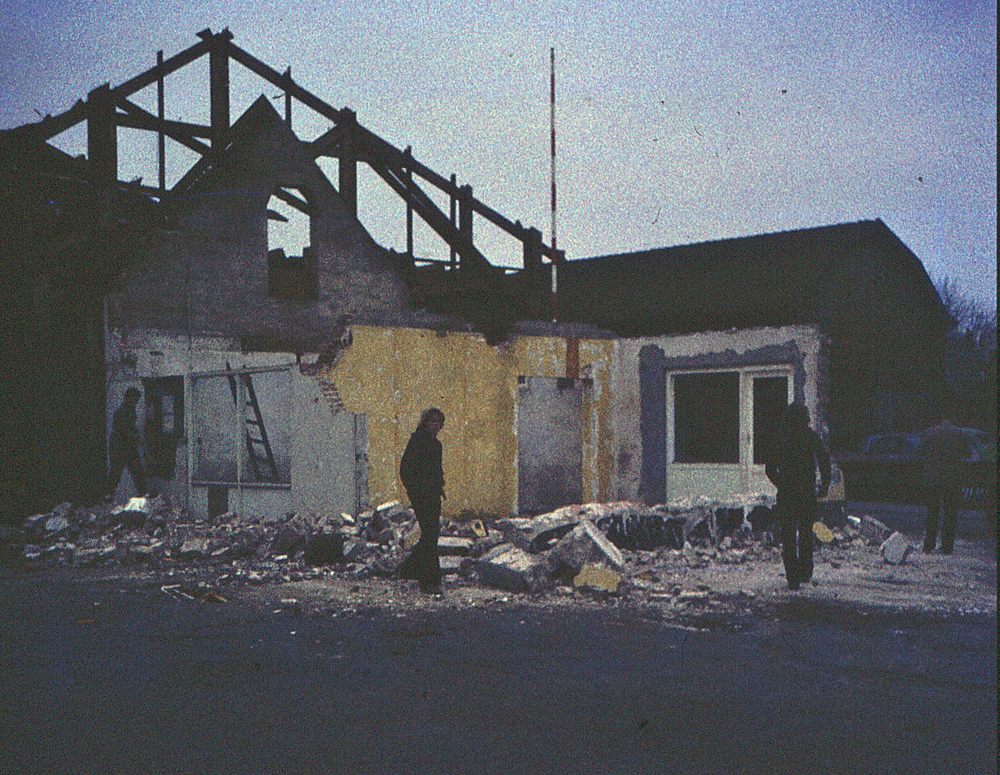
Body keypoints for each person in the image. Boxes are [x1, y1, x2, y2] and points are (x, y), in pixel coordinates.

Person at [764, 402, 831, 590]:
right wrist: (824, 485)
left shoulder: (780, 438)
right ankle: (805, 571)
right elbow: (824, 459)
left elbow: (770, 469)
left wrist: (781, 483)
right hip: (806, 492)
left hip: (787, 493)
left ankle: (792, 578)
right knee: (806, 533)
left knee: (788, 536)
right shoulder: (810, 436)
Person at [398, 408, 446, 594]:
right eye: (432, 421)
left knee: (430, 535)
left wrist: (439, 487)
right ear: (426, 423)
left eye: (438, 422)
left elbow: (436, 470)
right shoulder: (418, 441)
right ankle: (429, 581)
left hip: (433, 496)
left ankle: (409, 569)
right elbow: (405, 469)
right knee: (429, 536)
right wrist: (415, 491)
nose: (436, 425)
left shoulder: (436, 445)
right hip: (421, 496)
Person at [919, 413, 969, 554]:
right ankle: (947, 546)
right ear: (952, 419)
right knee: (950, 514)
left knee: (932, 512)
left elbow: (921, 451)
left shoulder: (929, 432)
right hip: (952, 478)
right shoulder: (960, 433)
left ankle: (929, 544)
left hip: (933, 478)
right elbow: (967, 453)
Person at [107, 387, 148, 499]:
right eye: (135, 399)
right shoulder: (122, 411)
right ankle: (108, 495)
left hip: (127, 446)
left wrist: (136, 436)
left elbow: (131, 427)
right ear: (129, 398)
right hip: (120, 446)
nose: (136, 402)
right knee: (117, 472)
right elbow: (121, 429)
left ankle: (143, 492)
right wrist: (134, 436)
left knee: (136, 470)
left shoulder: (129, 409)